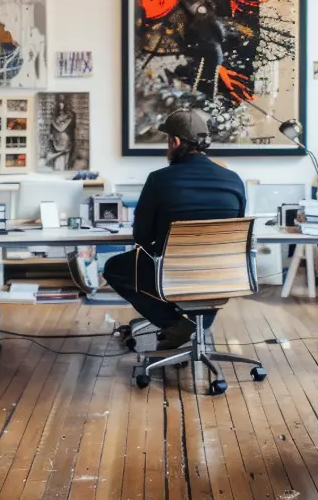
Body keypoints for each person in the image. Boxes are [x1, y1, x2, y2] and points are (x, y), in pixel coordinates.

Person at [103, 109, 246, 349]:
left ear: (175, 142)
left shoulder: (159, 179)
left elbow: (142, 237)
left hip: (172, 275)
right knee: (196, 280)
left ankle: (177, 325)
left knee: (116, 268)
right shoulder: (234, 180)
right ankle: (196, 326)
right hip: (222, 277)